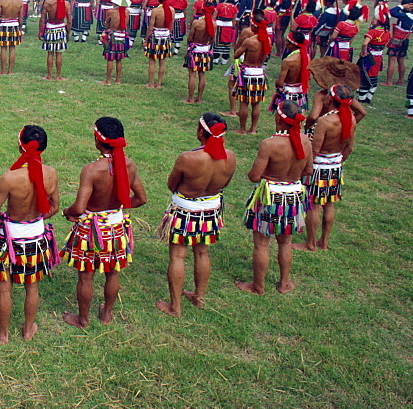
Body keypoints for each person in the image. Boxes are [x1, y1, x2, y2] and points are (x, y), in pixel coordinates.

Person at [61, 117, 147, 327]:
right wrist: (116, 210)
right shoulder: (129, 165)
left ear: (98, 141)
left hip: (91, 229)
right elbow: (141, 198)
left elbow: (79, 208)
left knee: (86, 275)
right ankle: (107, 314)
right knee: (113, 272)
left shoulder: (92, 170)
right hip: (116, 227)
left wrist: (66, 212)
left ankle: (83, 319)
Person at [0, 125, 60, 343]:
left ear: (21, 146)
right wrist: (35, 219)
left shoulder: (9, 178)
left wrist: (9, 220)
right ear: (43, 148)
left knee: (5, 288)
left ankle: (2, 334)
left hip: (10, 239)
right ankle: (27, 330)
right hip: (36, 237)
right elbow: (54, 207)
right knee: (31, 285)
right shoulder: (51, 174)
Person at [155, 114, 236, 317]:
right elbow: (224, 184)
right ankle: (198, 298)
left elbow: (172, 185)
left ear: (201, 132)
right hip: (211, 211)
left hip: (184, 211)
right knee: (202, 253)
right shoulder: (230, 156)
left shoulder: (188, 158)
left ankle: (175, 307)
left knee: (178, 256)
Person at [237, 101, 313, 295]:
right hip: (294, 195)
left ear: (279, 118)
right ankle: (283, 283)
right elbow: (309, 170)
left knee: (262, 243)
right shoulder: (305, 141)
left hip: (269, 197)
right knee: (285, 241)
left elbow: (254, 176)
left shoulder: (270, 144)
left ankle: (258, 286)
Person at [296, 85, 358, 251]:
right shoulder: (351, 119)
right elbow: (349, 148)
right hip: (335, 165)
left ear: (330, 99)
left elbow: (314, 150)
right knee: (329, 203)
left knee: (314, 205)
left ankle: (310, 243)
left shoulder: (325, 121)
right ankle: (324, 242)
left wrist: (304, 169)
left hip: (319, 166)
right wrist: (336, 161)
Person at [233, 9, 272, 134]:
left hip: (248, 73)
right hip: (260, 73)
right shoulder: (268, 41)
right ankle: (253, 129)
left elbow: (236, 55)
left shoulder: (249, 41)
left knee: (243, 102)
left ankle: (242, 129)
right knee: (256, 103)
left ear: (254, 27)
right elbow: (265, 57)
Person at [183, 0, 216, 103]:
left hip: (195, 50)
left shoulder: (197, 23)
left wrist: (190, 45)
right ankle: (199, 98)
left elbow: (190, 37)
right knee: (202, 74)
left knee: (192, 74)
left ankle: (190, 98)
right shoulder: (214, 24)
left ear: (202, 10)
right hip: (205, 50)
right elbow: (212, 39)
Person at [271, 30, 311, 113]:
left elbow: (280, 82)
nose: (285, 43)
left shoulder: (288, 61)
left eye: (286, 41)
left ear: (292, 44)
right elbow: (308, 76)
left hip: (288, 93)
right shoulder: (306, 56)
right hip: (300, 92)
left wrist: (276, 82)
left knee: (282, 121)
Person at [99, 0, 131, 85]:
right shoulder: (127, 12)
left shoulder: (111, 12)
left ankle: (108, 80)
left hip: (113, 36)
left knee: (110, 58)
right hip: (122, 35)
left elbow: (107, 24)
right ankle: (118, 80)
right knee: (119, 59)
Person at [0, 0, 25, 75]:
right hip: (14, 25)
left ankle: (3, 70)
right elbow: (21, 17)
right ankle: (10, 71)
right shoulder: (19, 1)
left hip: (4, 25)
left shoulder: (2, 1)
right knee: (12, 48)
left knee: (3, 48)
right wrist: (20, 28)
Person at [145, 0, 175, 89]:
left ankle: (151, 83)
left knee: (152, 60)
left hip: (155, 36)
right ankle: (159, 84)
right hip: (165, 36)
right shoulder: (172, 10)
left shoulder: (155, 11)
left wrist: (146, 40)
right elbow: (171, 24)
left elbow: (150, 27)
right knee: (162, 60)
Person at [40, 0, 69, 81]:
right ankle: (58, 76)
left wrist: (40, 32)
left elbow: (42, 19)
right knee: (59, 53)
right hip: (61, 29)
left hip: (50, 29)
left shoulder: (48, 3)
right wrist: (67, 32)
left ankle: (49, 75)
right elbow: (69, 21)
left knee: (50, 53)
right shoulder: (66, 4)